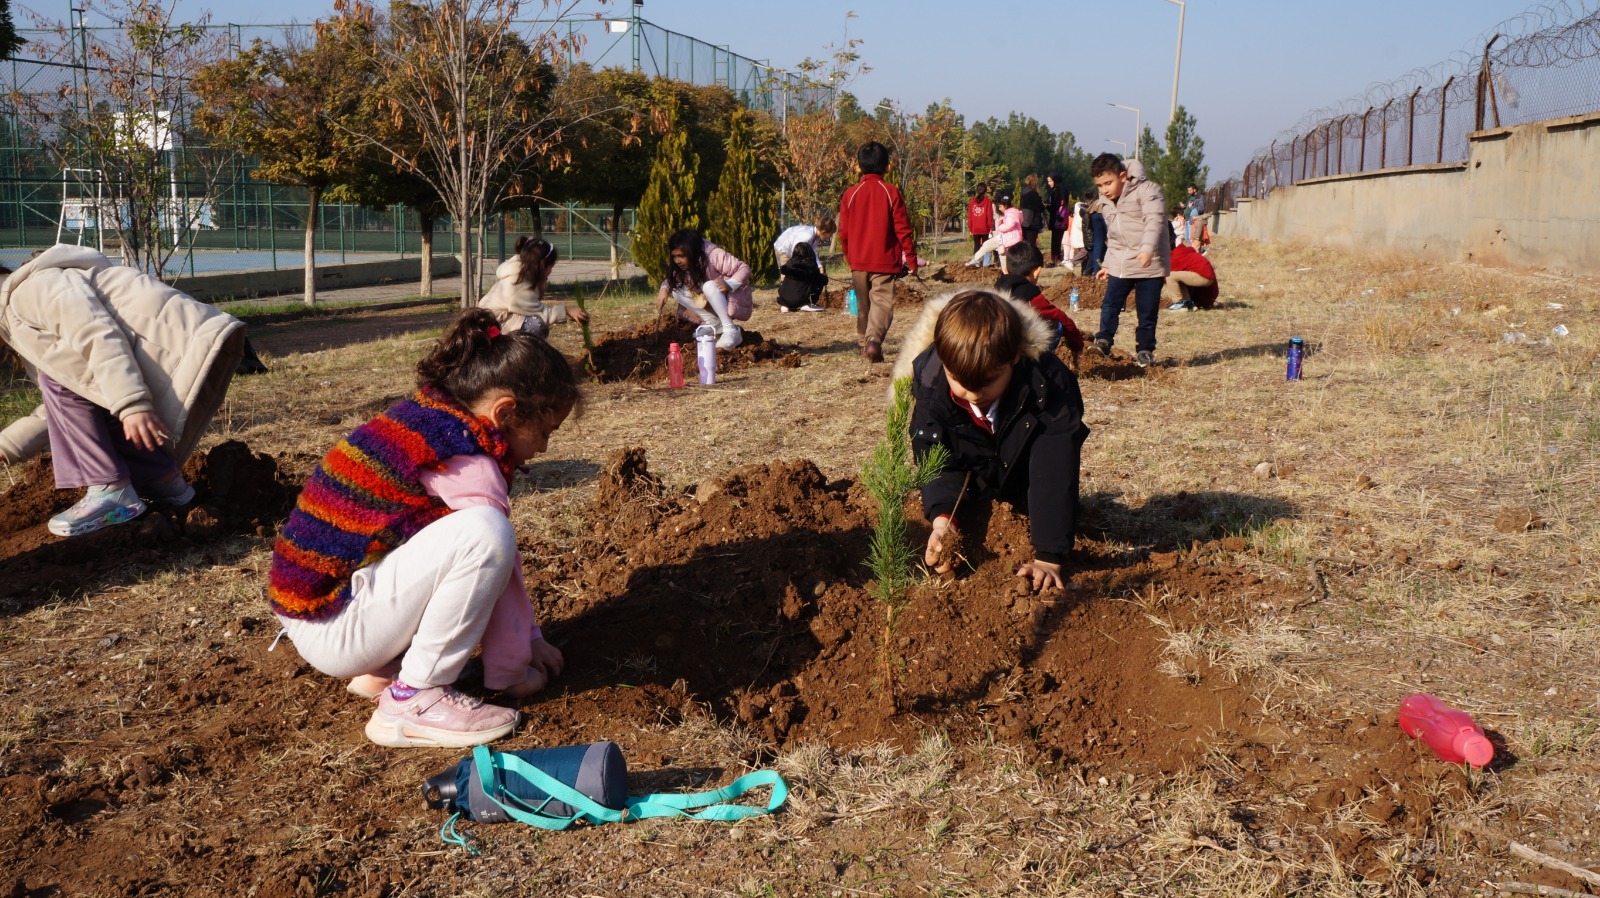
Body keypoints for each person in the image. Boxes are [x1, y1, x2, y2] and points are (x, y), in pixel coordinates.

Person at [267, 309, 578, 748]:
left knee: (461, 536)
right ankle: (413, 699)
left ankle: (384, 671)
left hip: (320, 611)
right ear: (505, 412)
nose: (544, 447)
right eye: (545, 431)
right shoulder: (465, 455)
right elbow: (496, 563)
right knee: (485, 534)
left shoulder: (430, 420)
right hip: (336, 625)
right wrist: (516, 665)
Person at [0, 244, 245, 537]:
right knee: (88, 389)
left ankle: (110, 488)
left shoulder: (31, 292)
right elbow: (61, 410)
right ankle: (164, 481)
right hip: (181, 345)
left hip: (178, 343)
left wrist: (132, 404)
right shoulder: (19, 313)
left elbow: (98, 335)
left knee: (81, 383)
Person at [891, 290, 1089, 594]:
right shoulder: (931, 387)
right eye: (958, 381)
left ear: (1015, 357)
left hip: (1027, 480)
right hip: (974, 480)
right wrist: (944, 518)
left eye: (987, 382)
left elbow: (1054, 463)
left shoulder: (1048, 385)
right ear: (943, 359)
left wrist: (1049, 555)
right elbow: (936, 458)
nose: (972, 394)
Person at [1086, 153, 1170, 368]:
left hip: (1149, 263)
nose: (1104, 189)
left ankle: (1145, 350)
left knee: (1147, 311)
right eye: (1100, 185)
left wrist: (1147, 249)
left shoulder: (1148, 191)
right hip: (1121, 263)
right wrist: (1107, 264)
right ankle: (1103, 340)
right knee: (1110, 304)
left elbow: (1155, 221)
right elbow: (1113, 237)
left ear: (1122, 176)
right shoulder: (1104, 200)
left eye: (1108, 183)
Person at [838, 140, 917, 363]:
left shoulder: (850, 194)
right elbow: (903, 229)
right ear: (888, 167)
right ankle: (873, 341)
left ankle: (863, 343)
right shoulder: (891, 192)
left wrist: (849, 254)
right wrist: (910, 259)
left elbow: (843, 231)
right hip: (884, 260)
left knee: (864, 306)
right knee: (882, 302)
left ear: (858, 166)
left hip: (858, 261)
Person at [654, 228, 753, 350]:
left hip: (729, 297)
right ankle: (714, 324)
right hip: (709, 299)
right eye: (674, 256)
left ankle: (731, 330)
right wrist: (664, 289)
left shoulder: (714, 255)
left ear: (692, 251)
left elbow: (744, 268)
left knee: (709, 286)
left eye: (681, 256)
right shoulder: (684, 264)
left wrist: (729, 284)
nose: (677, 261)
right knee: (676, 290)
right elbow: (673, 278)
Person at [480, 236, 590, 339]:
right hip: (490, 327)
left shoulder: (522, 275)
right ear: (542, 266)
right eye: (551, 266)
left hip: (496, 321)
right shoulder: (518, 285)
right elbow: (539, 314)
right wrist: (566, 310)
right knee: (536, 325)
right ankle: (517, 354)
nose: (551, 270)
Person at [995, 243, 1084, 356]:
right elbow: (1062, 318)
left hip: (996, 344)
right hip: (1017, 348)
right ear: (1037, 272)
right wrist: (1077, 344)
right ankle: (1044, 360)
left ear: (1006, 269)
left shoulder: (996, 289)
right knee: (1056, 325)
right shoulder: (1031, 296)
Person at [964, 193, 1023, 274]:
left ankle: (1008, 277)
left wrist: (1001, 226)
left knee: (1002, 258)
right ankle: (976, 259)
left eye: (1000, 207)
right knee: (989, 247)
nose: (999, 208)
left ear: (1005, 205)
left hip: (1009, 240)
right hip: (1004, 238)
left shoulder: (1011, 213)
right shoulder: (1011, 212)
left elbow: (1010, 224)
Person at [1166, 225, 1220, 311]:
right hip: (1209, 285)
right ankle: (1189, 304)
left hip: (1204, 279)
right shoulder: (1185, 253)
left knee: (1169, 275)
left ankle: (1179, 304)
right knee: (1178, 278)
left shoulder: (1175, 257)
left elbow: (1165, 278)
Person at [776, 240, 828, 313]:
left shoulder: (789, 264)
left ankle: (786, 306)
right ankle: (808, 303)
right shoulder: (810, 266)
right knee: (818, 282)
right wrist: (824, 277)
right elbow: (820, 280)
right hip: (800, 300)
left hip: (783, 299)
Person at [966, 184, 996, 266]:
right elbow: (989, 216)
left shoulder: (972, 202)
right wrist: (991, 227)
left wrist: (970, 228)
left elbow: (970, 216)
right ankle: (986, 264)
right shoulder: (988, 202)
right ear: (985, 190)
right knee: (986, 245)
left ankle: (977, 262)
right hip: (985, 228)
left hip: (975, 228)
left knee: (976, 245)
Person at [1044, 173, 1071, 266]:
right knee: (1055, 239)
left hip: (1059, 219)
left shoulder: (1060, 189)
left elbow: (1060, 205)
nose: (1049, 183)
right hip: (1056, 218)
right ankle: (1055, 258)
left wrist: (1048, 206)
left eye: (1050, 181)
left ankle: (1056, 258)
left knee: (1057, 239)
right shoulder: (1055, 189)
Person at [1081, 196, 1108, 277]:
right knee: (1113, 241)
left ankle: (1096, 271)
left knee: (1098, 243)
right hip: (1105, 210)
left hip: (1094, 210)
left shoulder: (1096, 200)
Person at [1018, 174, 1046, 249]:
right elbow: (1039, 207)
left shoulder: (1023, 192)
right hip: (1032, 222)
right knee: (1031, 244)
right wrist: (1043, 206)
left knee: (1024, 242)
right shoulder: (1033, 194)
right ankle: (1030, 259)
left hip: (1024, 220)